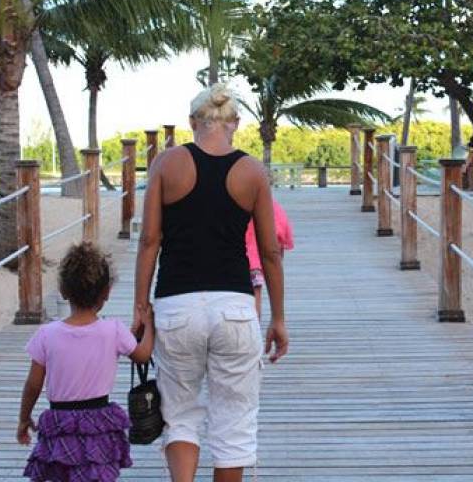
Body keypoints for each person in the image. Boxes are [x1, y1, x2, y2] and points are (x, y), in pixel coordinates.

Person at [131, 83, 288, 482]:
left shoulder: (166, 164)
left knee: (180, 416)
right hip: (234, 307)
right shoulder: (252, 171)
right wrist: (278, 318)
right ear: (234, 123)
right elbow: (270, 253)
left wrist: (140, 307)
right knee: (233, 424)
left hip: (175, 307)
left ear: (192, 122)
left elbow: (150, 240)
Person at [17, 242, 155, 482]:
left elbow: (33, 385)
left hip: (60, 425)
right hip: (98, 424)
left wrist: (24, 418)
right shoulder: (114, 330)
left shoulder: (46, 334)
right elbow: (143, 354)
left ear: (63, 290)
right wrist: (149, 325)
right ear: (107, 293)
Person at [245, 199, 294, 318]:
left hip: (236, 257)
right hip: (257, 260)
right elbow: (280, 233)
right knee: (255, 296)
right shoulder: (268, 205)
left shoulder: (232, 201)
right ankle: (254, 327)